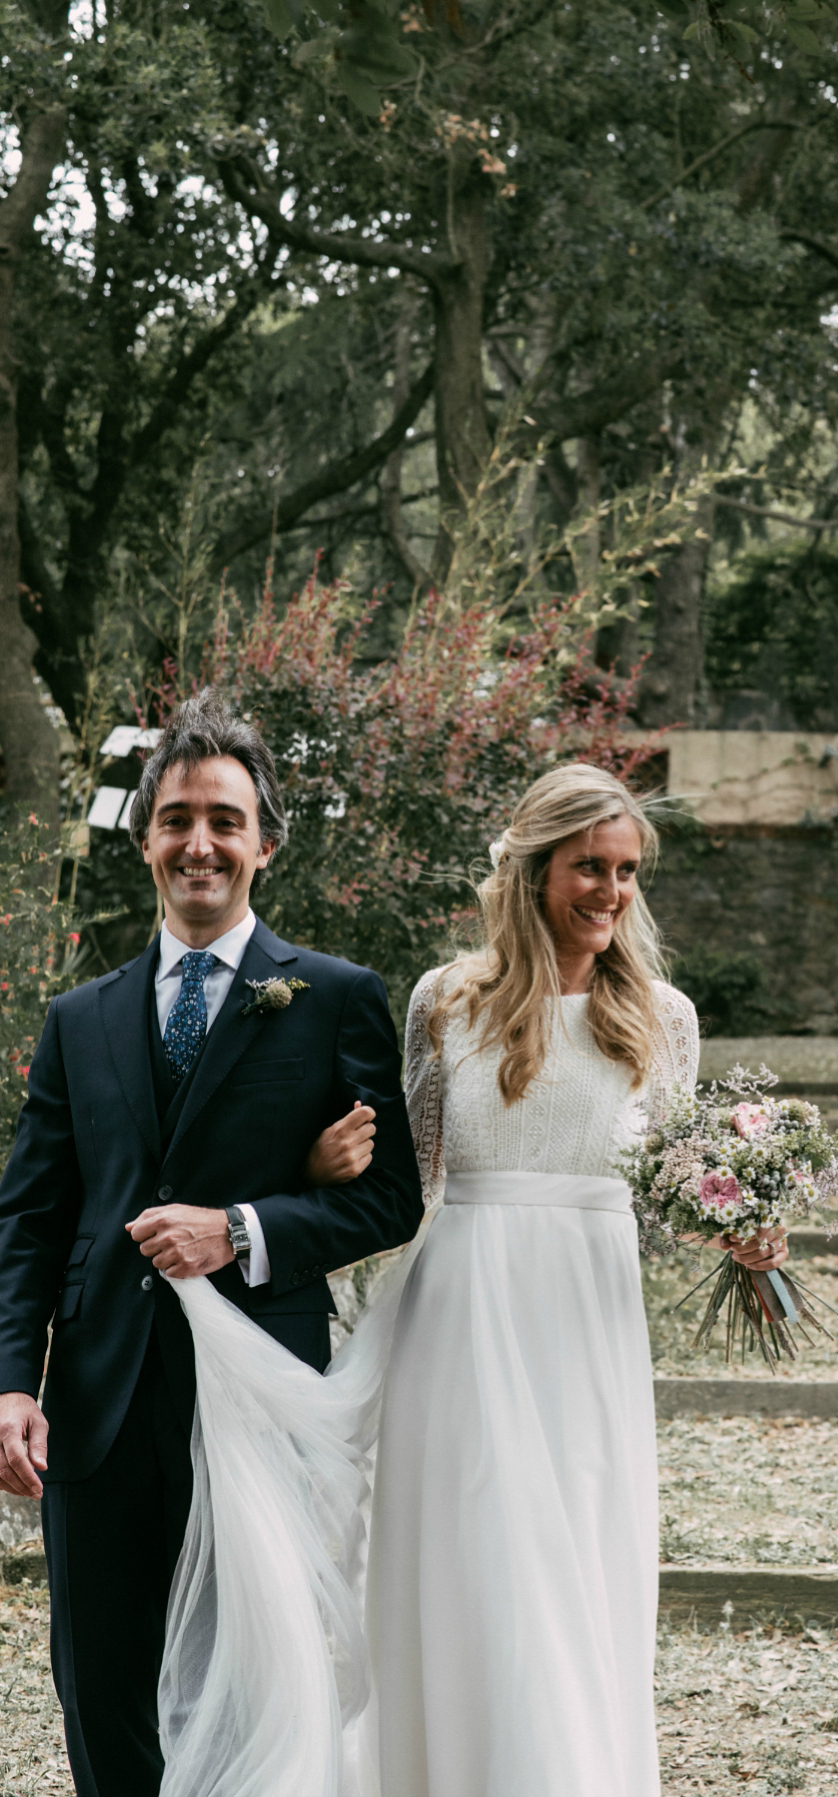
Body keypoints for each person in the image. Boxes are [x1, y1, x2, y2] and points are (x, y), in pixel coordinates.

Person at [155, 759, 789, 1796]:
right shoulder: (443, 1004)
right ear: (534, 870)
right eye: (590, 867)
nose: (611, 893)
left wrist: (747, 1234)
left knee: (572, 1563)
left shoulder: (662, 1018)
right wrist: (316, 1173)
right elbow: (410, 1184)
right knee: (478, 1566)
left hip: (587, 1323)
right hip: (459, 1312)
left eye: (628, 873)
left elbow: (679, 1187)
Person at [0, 688, 424, 1797]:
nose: (201, 842)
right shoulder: (78, 1018)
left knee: (253, 1679)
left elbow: (389, 1201)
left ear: (265, 844)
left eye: (225, 820)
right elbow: (31, 1219)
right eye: (179, 817)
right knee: (100, 1685)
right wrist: (9, 1385)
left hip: (261, 1392)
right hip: (97, 1399)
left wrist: (242, 1229)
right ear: (145, 839)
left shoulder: (335, 1000)